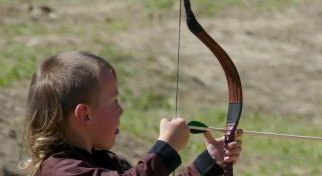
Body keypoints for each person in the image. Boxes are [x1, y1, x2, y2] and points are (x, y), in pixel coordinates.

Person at [22, 51, 243, 176]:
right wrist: (165, 149)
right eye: (114, 101)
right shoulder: (61, 171)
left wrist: (210, 162)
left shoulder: (108, 163)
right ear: (85, 115)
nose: (121, 110)